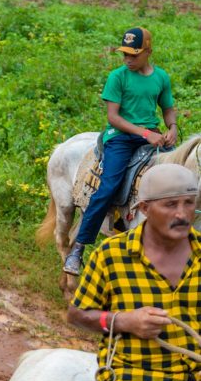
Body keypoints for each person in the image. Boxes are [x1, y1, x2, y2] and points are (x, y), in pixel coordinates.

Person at [67, 164, 200, 381]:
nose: (182, 214)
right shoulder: (111, 256)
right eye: (170, 204)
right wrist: (125, 321)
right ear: (144, 209)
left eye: (189, 203)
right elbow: (77, 315)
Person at [64, 27, 177, 275]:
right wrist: (145, 134)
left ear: (148, 52)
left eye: (133, 55)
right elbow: (113, 118)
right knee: (108, 188)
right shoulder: (118, 77)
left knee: (181, 178)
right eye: (124, 54)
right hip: (122, 138)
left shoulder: (161, 77)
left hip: (151, 137)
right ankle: (79, 248)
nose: (127, 59)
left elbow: (167, 108)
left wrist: (172, 127)